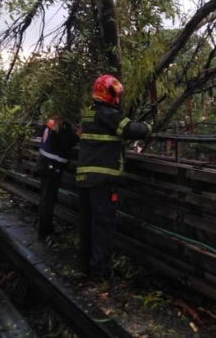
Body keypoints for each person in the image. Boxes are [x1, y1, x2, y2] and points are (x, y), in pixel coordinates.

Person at [75, 75, 151, 280]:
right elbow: (130, 129)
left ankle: (84, 266)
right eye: (116, 95)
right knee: (102, 225)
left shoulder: (89, 114)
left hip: (85, 178)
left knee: (87, 224)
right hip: (103, 180)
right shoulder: (108, 113)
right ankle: (99, 272)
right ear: (110, 95)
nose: (118, 99)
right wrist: (148, 127)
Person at [37, 116, 80, 240]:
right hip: (52, 166)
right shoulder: (62, 123)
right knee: (48, 199)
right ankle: (45, 231)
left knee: (45, 198)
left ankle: (44, 228)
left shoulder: (53, 120)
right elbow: (68, 142)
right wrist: (78, 133)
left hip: (44, 163)